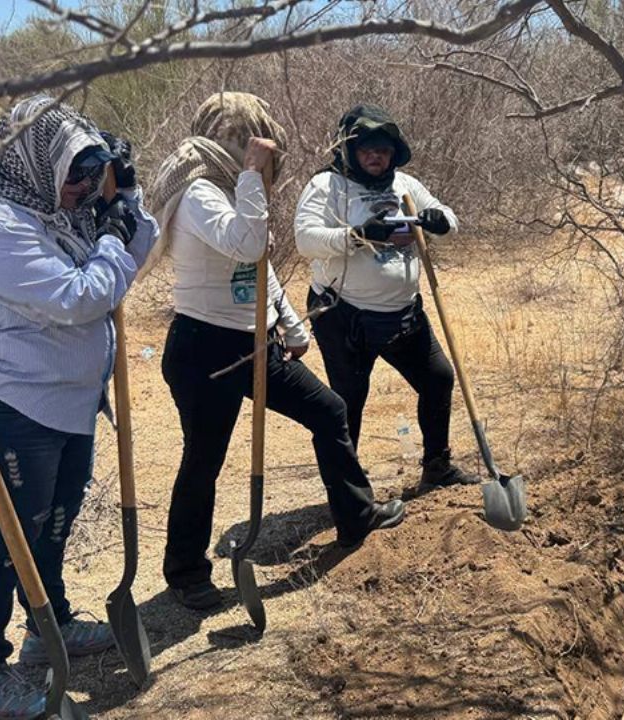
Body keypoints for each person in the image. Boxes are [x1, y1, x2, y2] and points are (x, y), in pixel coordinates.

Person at [146, 92, 405, 610]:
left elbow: (257, 270)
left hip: (256, 342)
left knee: (329, 411)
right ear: (236, 143)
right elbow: (248, 244)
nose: (266, 158)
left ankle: (356, 516)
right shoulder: (199, 192)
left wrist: (289, 323)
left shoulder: (232, 190)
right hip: (206, 349)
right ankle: (187, 573)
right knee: (204, 458)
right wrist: (250, 175)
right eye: (254, 145)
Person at [0, 96, 157, 719]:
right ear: (34, 163)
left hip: (71, 406)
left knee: (53, 524)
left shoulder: (59, 215)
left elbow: (135, 253)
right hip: (19, 408)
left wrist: (128, 201)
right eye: (73, 173)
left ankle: (49, 627)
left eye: (90, 174)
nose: (82, 187)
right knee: (1, 539)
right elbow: (77, 297)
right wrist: (112, 239)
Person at [295, 104, 478, 489]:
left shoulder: (405, 186)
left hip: (404, 316)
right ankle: (349, 494)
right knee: (348, 402)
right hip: (345, 316)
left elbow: (448, 216)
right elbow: (306, 239)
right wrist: (359, 235)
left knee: (438, 379)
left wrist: (440, 221)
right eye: (366, 148)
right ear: (349, 151)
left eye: (383, 149)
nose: (376, 156)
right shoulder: (327, 187)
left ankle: (437, 467)